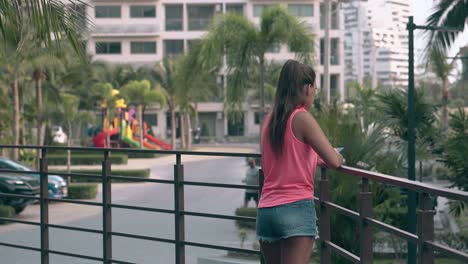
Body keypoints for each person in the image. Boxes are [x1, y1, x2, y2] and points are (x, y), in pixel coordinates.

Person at [256, 60, 343, 264]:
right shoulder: (302, 118)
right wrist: (337, 155)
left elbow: (285, 155)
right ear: (306, 88)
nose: (314, 93)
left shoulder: (270, 120)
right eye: (314, 88)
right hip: (295, 208)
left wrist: (314, 158)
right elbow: (335, 161)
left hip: (267, 210)